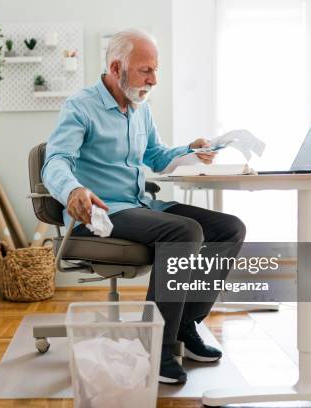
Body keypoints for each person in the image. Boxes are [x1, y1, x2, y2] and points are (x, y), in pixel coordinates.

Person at [41, 28, 246, 384]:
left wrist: (190, 150)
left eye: (156, 70)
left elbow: (156, 155)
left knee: (229, 228)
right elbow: (55, 161)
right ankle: (156, 345)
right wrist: (73, 190)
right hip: (103, 212)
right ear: (117, 67)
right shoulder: (81, 107)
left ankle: (185, 325)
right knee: (185, 231)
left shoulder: (140, 110)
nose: (153, 79)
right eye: (145, 70)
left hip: (140, 205)